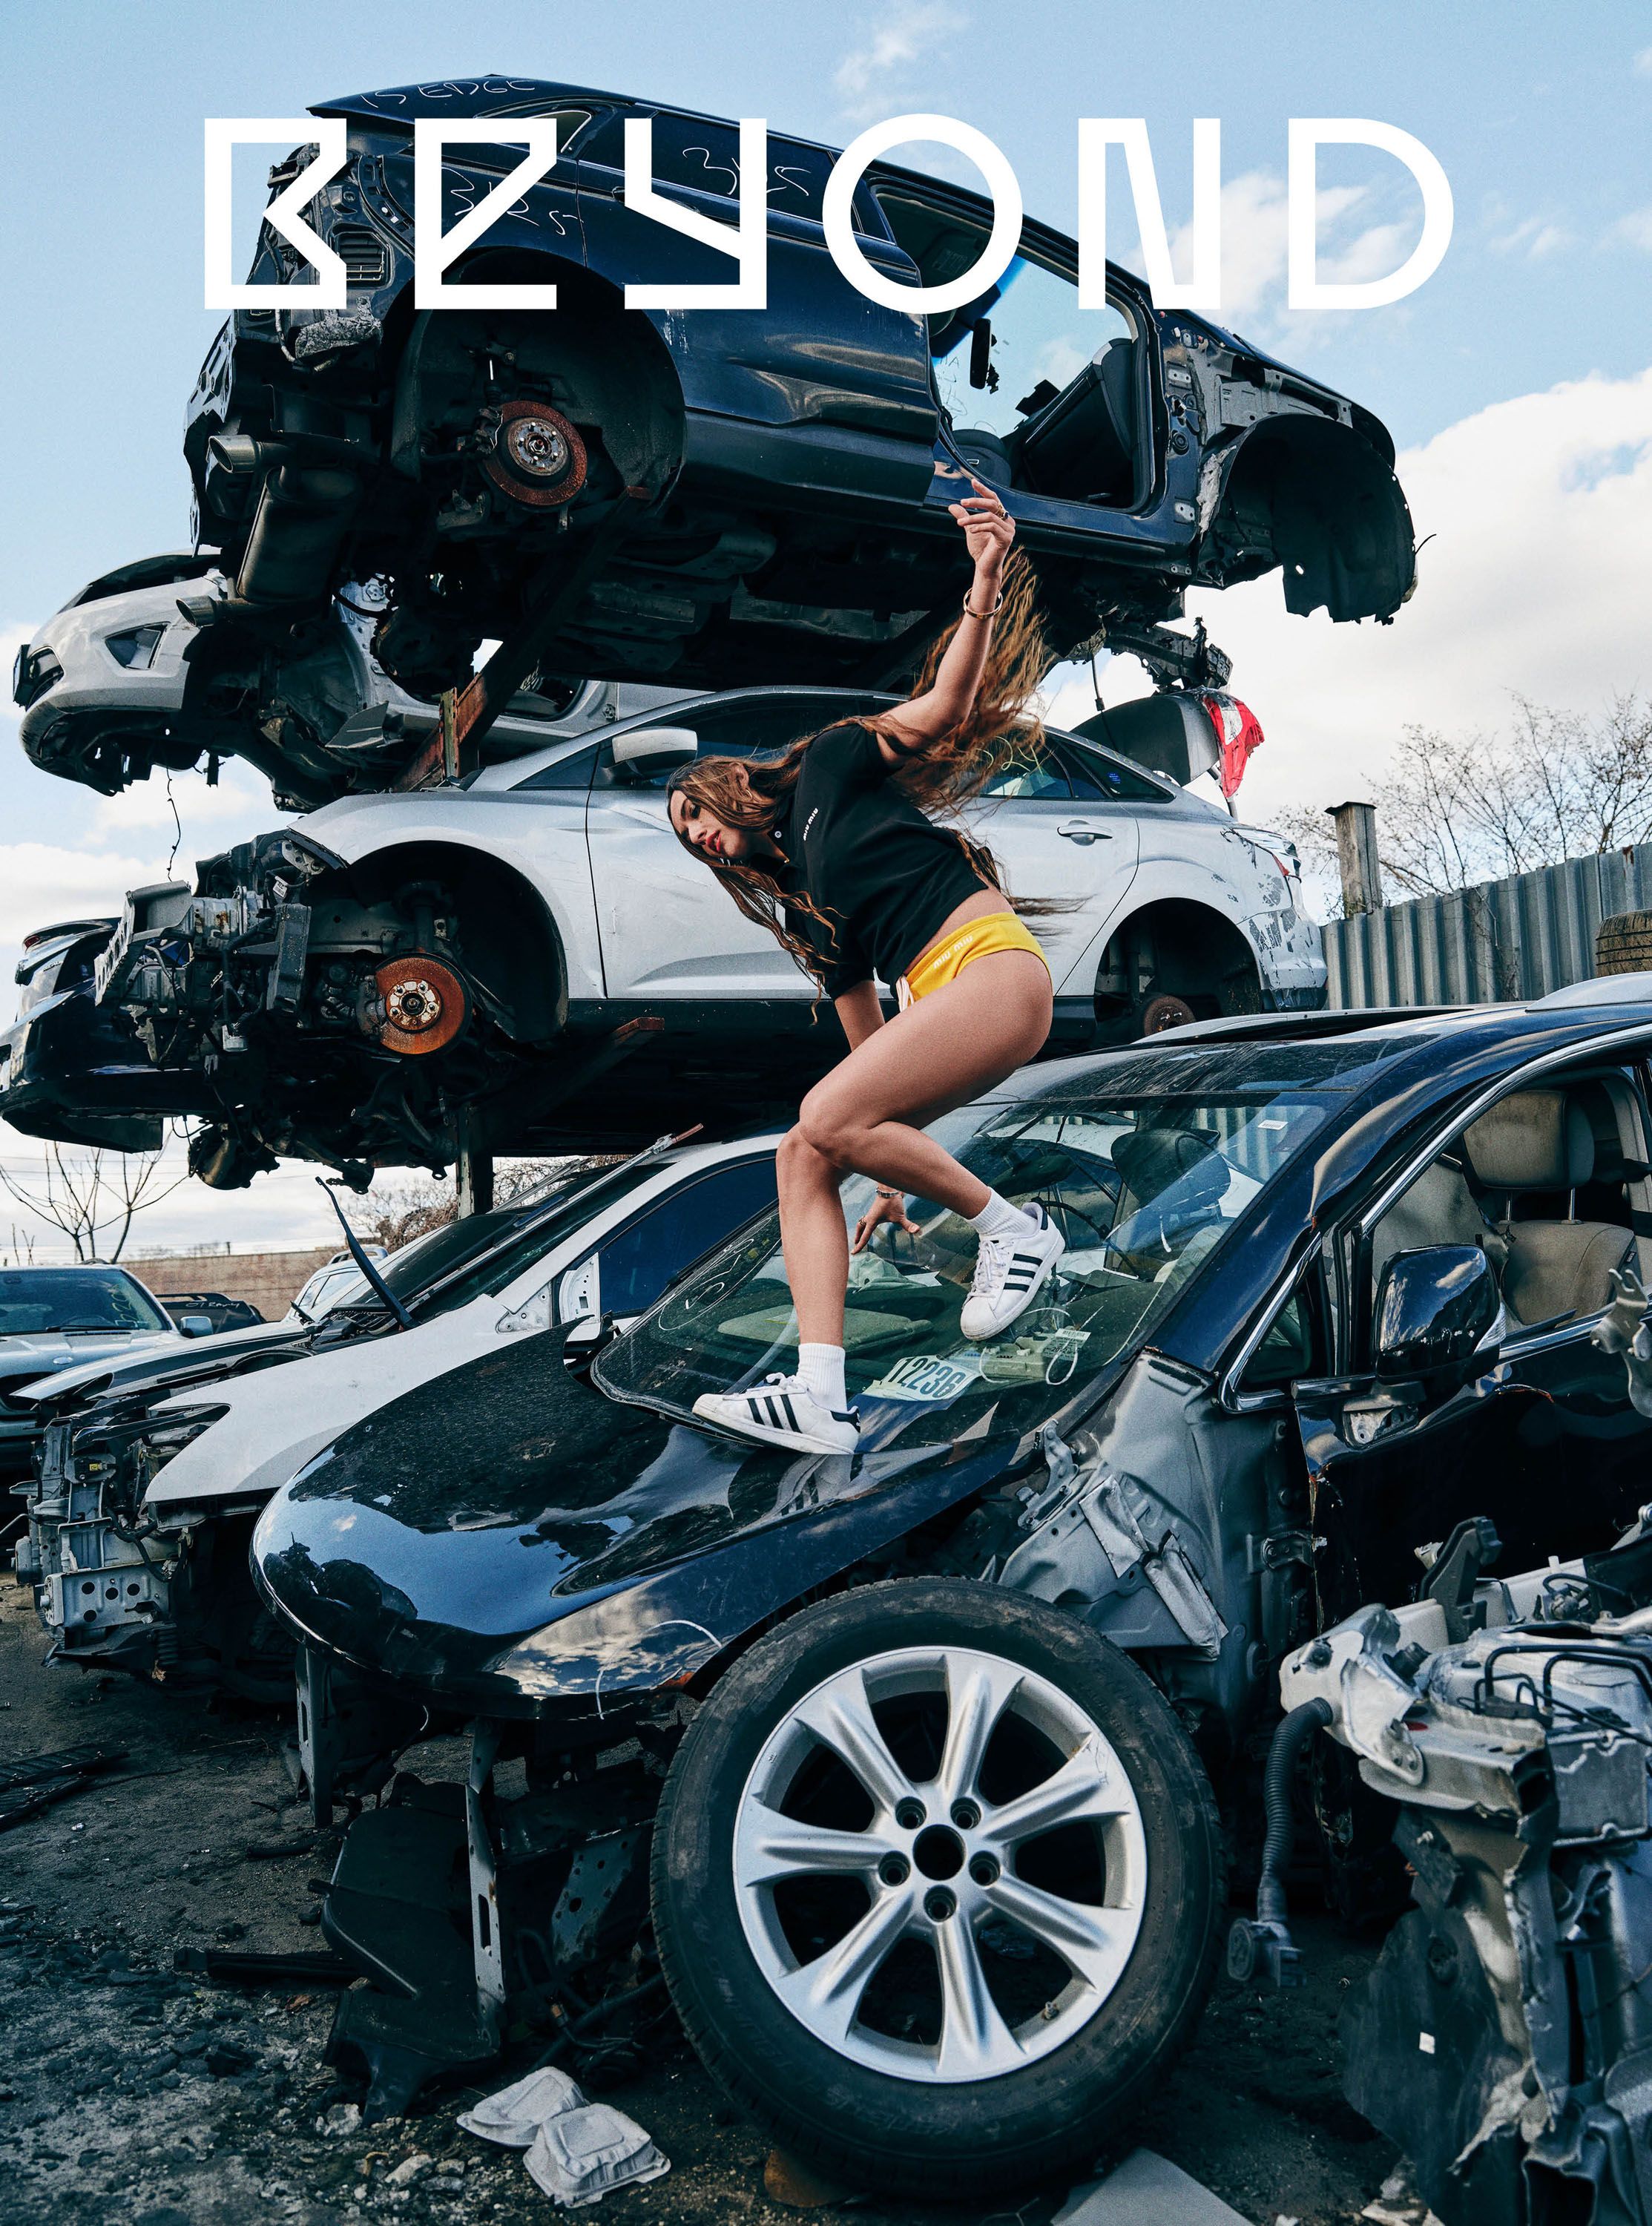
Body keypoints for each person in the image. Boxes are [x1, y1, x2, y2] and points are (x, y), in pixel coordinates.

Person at [666, 479, 1064, 1455]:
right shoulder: (808, 913)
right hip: (951, 1002)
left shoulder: (833, 766)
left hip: (993, 971)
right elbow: (865, 1057)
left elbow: (947, 701)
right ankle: (820, 1396)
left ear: (730, 789)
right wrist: (881, 1168)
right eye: (686, 838)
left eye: (697, 816)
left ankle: (1016, 1233)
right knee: (803, 1151)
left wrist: (983, 579)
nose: (701, 837)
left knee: (823, 1125)